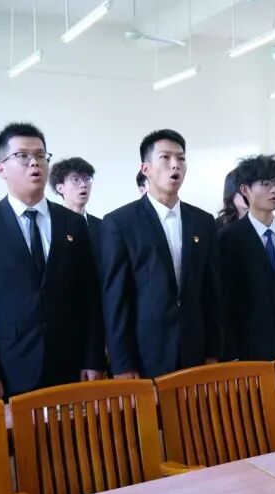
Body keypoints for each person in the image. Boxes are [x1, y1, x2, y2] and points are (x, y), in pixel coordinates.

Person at [0, 123, 106, 400]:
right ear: (1, 169)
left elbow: (90, 296)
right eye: (22, 156)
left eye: (40, 155)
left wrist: (93, 358)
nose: (34, 162)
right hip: (10, 367)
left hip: (70, 364)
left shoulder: (72, 223)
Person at [102, 129, 222, 378]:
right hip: (147, 354)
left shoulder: (203, 222)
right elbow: (116, 300)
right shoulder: (120, 222)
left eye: (181, 158)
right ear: (145, 169)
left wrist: (213, 351)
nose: (175, 165)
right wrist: (122, 364)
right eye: (165, 157)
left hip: (195, 351)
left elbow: (212, 292)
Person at [219, 155, 275, 361]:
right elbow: (226, 301)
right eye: (266, 183)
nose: (274, 190)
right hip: (249, 347)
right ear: (245, 190)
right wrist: (230, 354)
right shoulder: (229, 237)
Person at [50, 157, 102, 272]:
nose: (83, 184)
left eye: (87, 179)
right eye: (75, 179)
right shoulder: (51, 223)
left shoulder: (102, 226)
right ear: (60, 187)